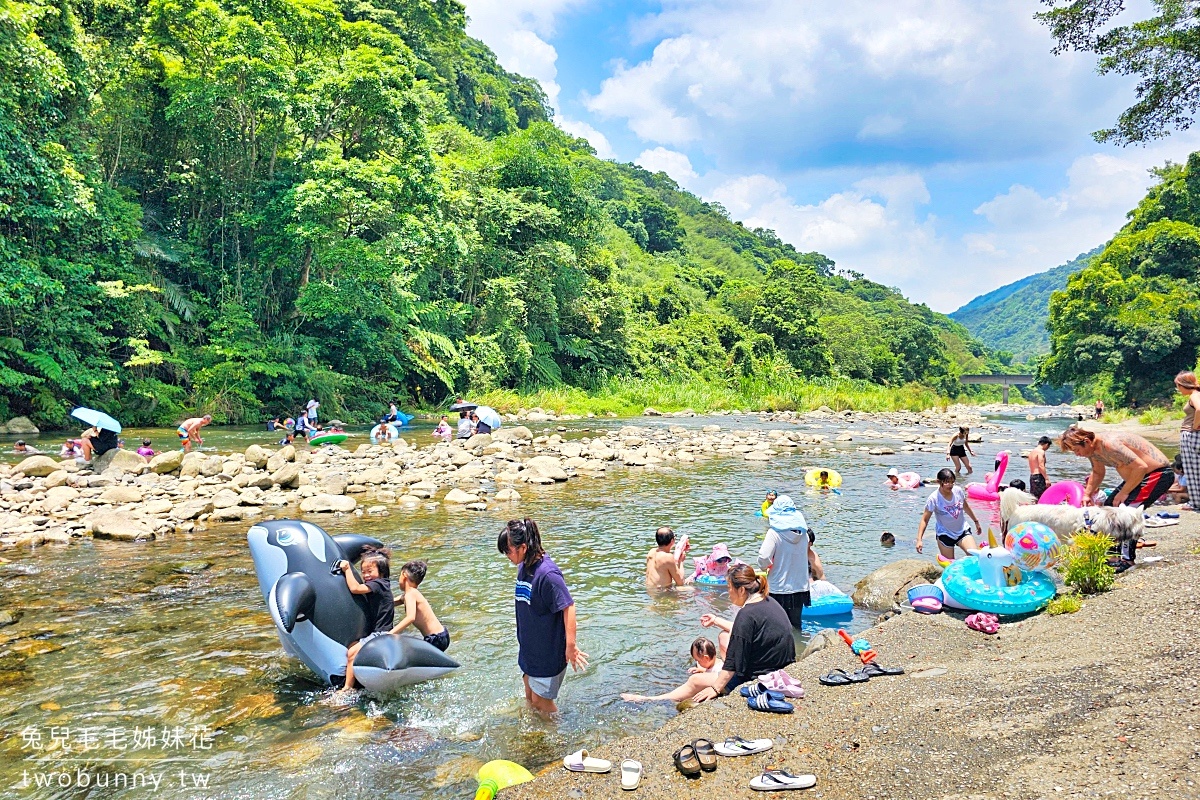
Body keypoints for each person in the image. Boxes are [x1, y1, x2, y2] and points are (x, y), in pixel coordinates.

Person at [497, 518, 588, 714]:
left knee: (542, 703)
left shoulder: (548, 574)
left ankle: (558, 739)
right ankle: (536, 738)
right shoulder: (524, 566)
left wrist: (570, 646)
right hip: (530, 649)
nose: (507, 556)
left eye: (508, 551)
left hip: (548, 652)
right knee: (530, 696)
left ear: (523, 547)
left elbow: (569, 607)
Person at [692, 565, 796, 702]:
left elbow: (733, 662)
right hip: (782, 667)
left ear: (741, 590)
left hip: (760, 677)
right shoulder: (769, 601)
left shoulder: (746, 614)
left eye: (729, 587)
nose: (728, 592)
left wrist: (715, 688)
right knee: (724, 636)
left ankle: (660, 699)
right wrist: (716, 620)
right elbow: (742, 633)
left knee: (694, 681)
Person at [1060, 427, 1173, 510]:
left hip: (1158, 474)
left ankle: (1127, 542)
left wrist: (1124, 492)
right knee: (1110, 507)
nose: (1077, 454)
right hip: (1137, 478)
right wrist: (1087, 494)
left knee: (1124, 511)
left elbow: (1141, 467)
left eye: (1076, 450)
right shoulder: (1092, 451)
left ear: (1087, 441)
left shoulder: (1110, 444)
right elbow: (1098, 472)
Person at [333, 547, 394, 692]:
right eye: (363, 572)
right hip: (377, 632)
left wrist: (347, 569)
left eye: (370, 571)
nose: (366, 575)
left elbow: (355, 588)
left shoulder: (378, 584)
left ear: (382, 573)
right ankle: (357, 679)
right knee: (352, 645)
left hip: (381, 633)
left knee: (352, 653)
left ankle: (347, 688)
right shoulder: (383, 585)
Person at [758, 495, 824, 629]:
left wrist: (765, 567)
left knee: (776, 626)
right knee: (796, 625)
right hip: (800, 587)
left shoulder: (774, 533)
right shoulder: (804, 534)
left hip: (778, 588)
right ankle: (800, 648)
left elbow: (764, 557)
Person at [620, 638, 722, 702]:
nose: (697, 663)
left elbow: (715, 675)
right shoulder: (713, 662)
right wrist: (701, 670)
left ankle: (647, 699)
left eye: (697, 660)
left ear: (706, 658)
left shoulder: (719, 668)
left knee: (693, 680)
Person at [916, 468, 983, 560]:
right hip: (945, 534)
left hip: (962, 531)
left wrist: (976, 521)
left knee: (976, 558)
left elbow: (966, 507)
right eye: (947, 482)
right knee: (951, 565)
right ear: (939, 482)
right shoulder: (933, 499)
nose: (950, 485)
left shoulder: (958, 491)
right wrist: (919, 539)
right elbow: (924, 520)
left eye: (952, 482)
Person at [388, 560, 449, 652]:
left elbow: (410, 617)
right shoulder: (411, 593)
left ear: (404, 575)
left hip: (435, 639)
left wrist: (390, 634)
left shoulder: (410, 594)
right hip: (441, 635)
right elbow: (392, 603)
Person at [1175, 371, 1200, 511]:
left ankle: (1195, 503)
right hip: (1195, 435)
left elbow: (1199, 410)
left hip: (1191, 435)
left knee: (1192, 470)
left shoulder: (1194, 396)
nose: (1178, 389)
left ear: (1184, 385)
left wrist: (1195, 426)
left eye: (1178, 386)